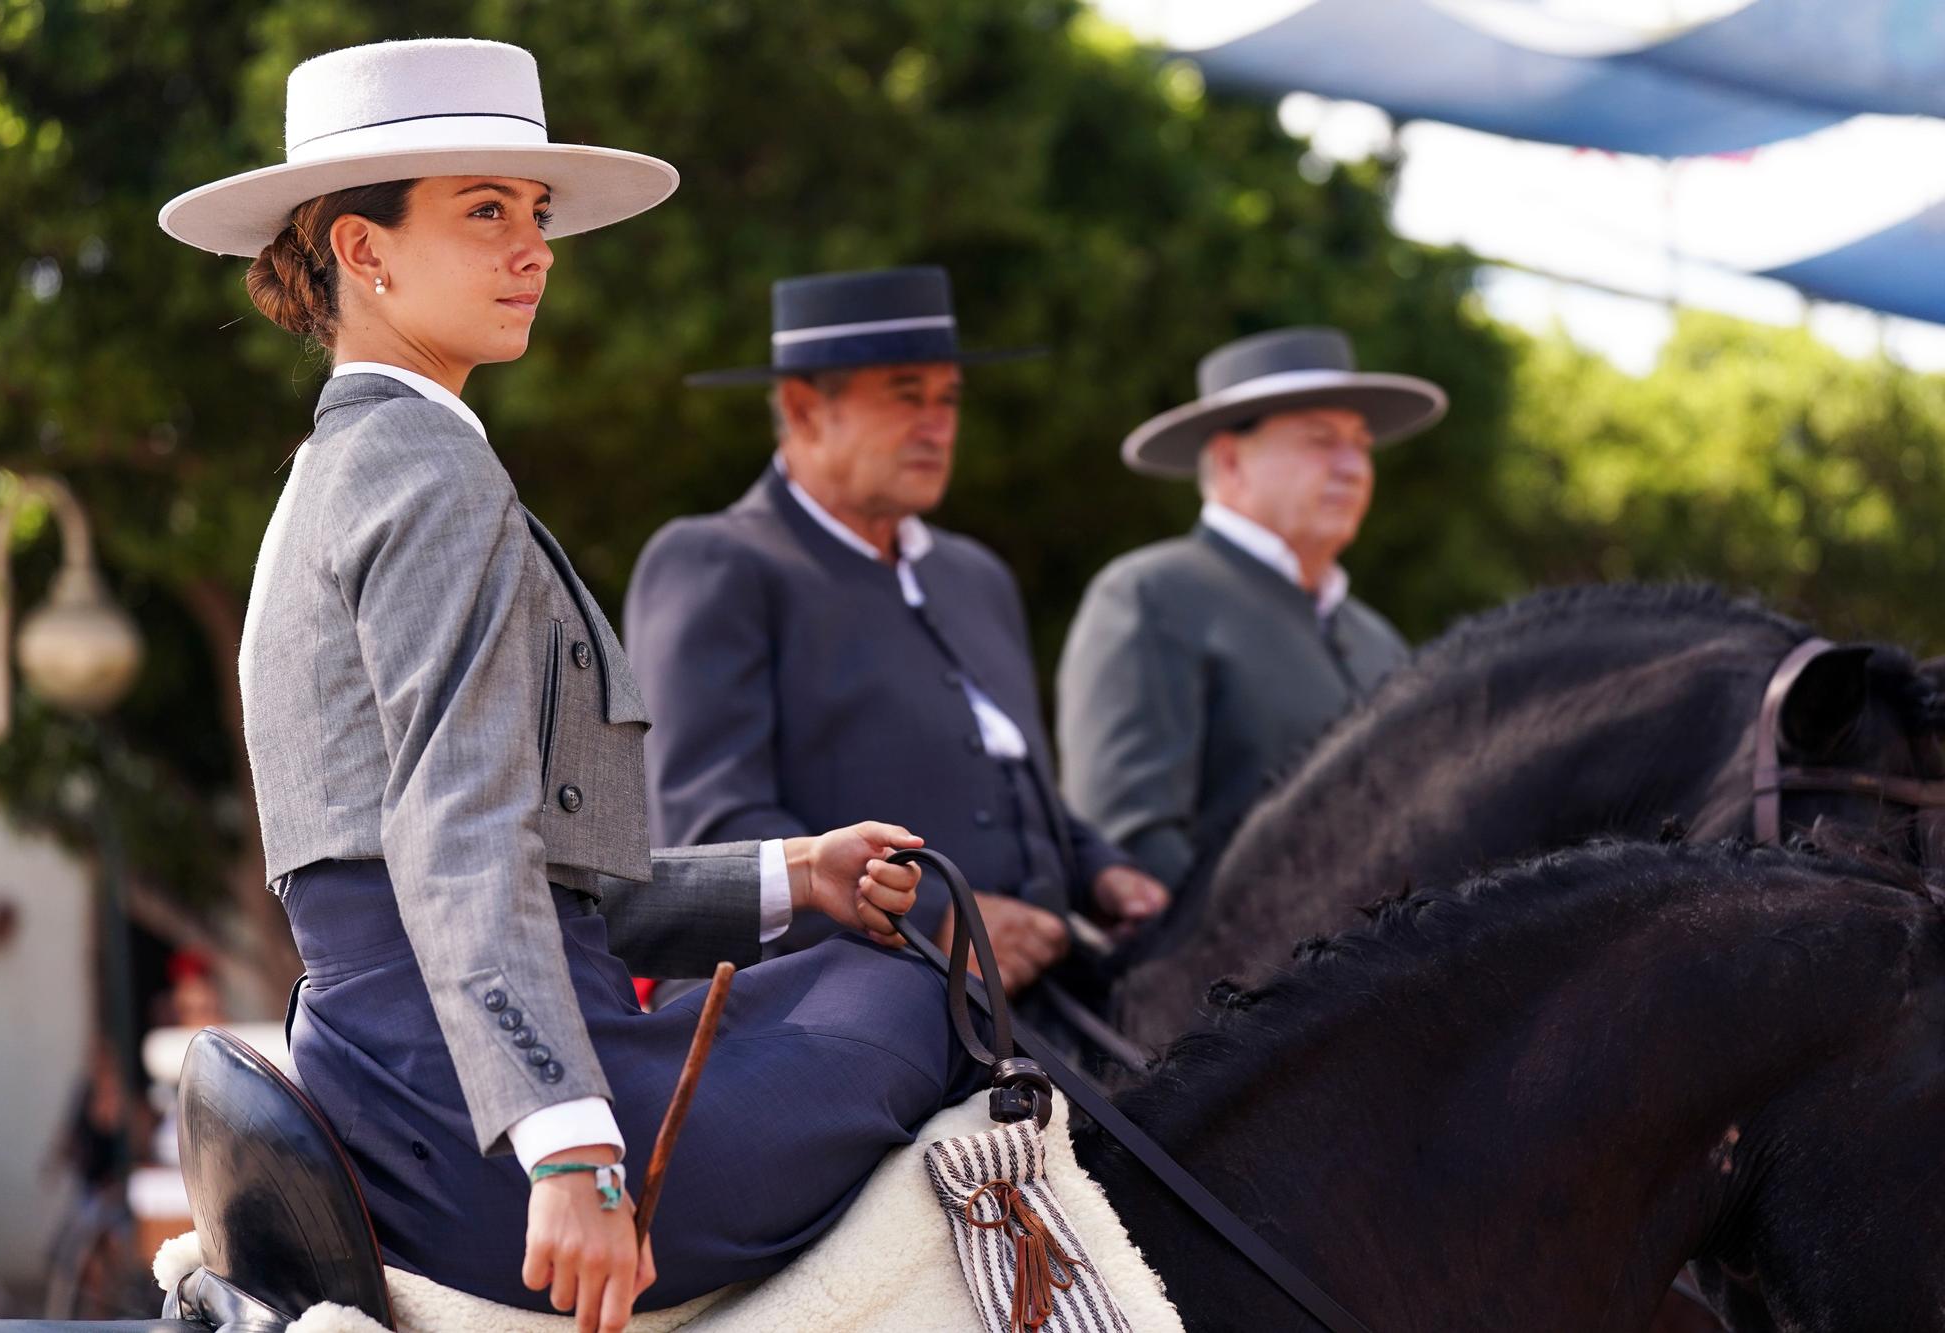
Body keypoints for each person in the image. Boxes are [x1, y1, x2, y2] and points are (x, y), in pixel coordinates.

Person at [158, 39, 979, 1332]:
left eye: (535, 216)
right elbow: (458, 835)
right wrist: (572, 1151)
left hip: (407, 1087)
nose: (535, 248)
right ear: (362, 253)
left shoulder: (349, 467)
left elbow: (523, 880)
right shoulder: (429, 473)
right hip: (478, 1131)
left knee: (837, 972)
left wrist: (793, 875)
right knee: (911, 997)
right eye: (486, 212)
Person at [623, 267, 1168, 997]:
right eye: (908, 397)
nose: (937, 425)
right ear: (805, 409)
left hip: (1044, 1000)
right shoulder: (716, 562)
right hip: (826, 1005)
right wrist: (939, 918)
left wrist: (1098, 866)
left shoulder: (975, 574)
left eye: (948, 400)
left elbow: (1007, 776)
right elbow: (711, 824)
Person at [1057, 327, 1445, 898]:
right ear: (1230, 460)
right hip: (1233, 981)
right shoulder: (1152, 595)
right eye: (1320, 440)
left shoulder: (1375, 636)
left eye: (1360, 444)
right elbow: (1128, 839)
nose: (1352, 466)